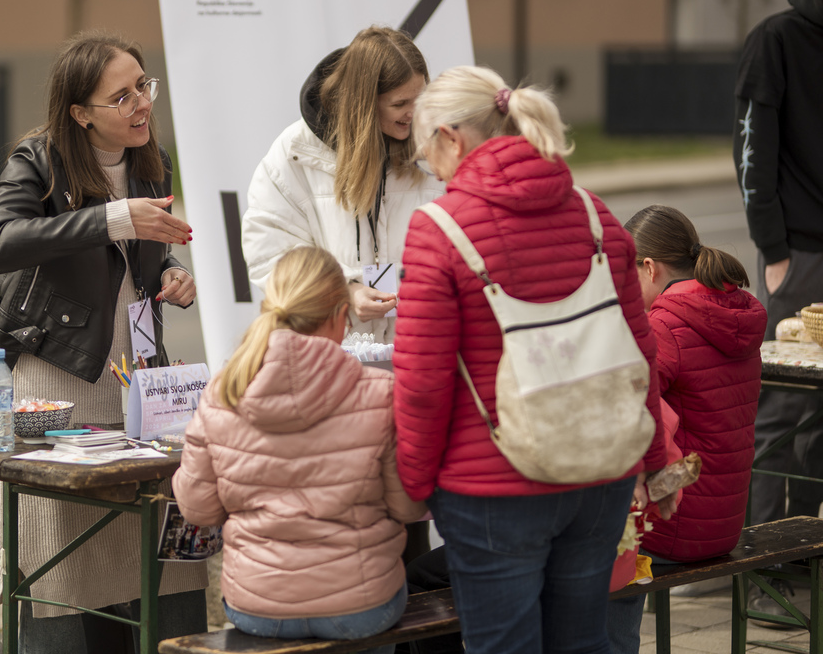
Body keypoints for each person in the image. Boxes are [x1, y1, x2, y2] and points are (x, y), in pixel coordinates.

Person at [393, 65, 668, 654]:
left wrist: (415, 482)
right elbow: (638, 349)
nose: (431, 170)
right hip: (602, 472)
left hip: (493, 487)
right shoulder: (595, 215)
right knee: (583, 641)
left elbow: (422, 383)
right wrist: (652, 459)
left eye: (426, 152)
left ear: (452, 138)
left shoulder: (439, 230)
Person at [0, 30, 206, 653]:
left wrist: (170, 275)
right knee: (65, 548)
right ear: (80, 113)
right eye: (122, 96)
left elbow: (138, 259)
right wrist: (111, 217)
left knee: (152, 540)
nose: (142, 104)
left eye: (143, 86)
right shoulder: (39, 159)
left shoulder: (151, 159)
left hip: (137, 376)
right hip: (60, 376)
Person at [172, 246, 427, 654]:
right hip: (362, 606)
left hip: (257, 607)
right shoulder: (380, 392)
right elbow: (409, 508)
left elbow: (198, 510)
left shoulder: (222, 392)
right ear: (341, 316)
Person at [606, 205, 766, 653]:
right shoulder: (737, 311)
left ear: (649, 268)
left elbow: (624, 411)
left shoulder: (663, 325)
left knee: (594, 543)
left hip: (677, 524)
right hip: (726, 523)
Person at [242, 26, 445, 342]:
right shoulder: (295, 151)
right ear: (364, 103)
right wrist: (343, 292)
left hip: (419, 346)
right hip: (330, 350)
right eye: (400, 103)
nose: (414, 113)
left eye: (420, 99)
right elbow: (270, 255)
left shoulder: (437, 148)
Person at [735, 0, 823, 619]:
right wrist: (774, 250)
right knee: (783, 414)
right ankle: (761, 573)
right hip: (803, 256)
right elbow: (751, 149)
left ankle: (806, 553)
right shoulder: (776, 39)